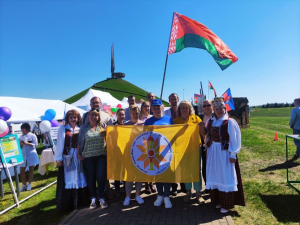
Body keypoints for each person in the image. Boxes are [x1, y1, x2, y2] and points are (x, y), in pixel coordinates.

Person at [201, 98, 246, 213]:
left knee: (225, 176)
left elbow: (235, 139)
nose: (219, 110)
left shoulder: (230, 122)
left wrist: (233, 154)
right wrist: (206, 146)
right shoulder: (210, 121)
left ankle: (227, 204)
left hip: (224, 152)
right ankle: (218, 201)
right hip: (213, 152)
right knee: (215, 175)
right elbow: (208, 135)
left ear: (225, 108)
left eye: (221, 108)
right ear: (214, 110)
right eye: (216, 108)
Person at [54, 110, 88, 211]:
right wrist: (59, 158)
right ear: (68, 118)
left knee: (80, 176)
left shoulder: (80, 129)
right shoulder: (63, 129)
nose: (73, 119)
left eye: (75, 117)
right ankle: (68, 204)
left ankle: (81, 202)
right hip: (67, 157)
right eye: (71, 117)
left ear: (78, 118)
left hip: (78, 157)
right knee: (69, 178)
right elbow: (59, 144)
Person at [173, 100, 205, 204]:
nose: (184, 109)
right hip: (182, 149)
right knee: (185, 170)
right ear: (179, 109)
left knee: (196, 170)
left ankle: (198, 194)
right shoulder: (176, 121)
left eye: (186, 107)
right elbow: (173, 136)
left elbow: (203, 133)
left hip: (196, 147)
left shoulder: (195, 118)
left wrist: (201, 127)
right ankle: (188, 192)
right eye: (182, 107)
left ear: (190, 109)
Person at [145, 99, 174, 208]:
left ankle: (166, 196)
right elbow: (144, 137)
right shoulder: (148, 121)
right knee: (157, 174)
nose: (157, 110)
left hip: (167, 151)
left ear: (162, 107)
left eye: (158, 107)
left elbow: (173, 133)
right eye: (154, 108)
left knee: (166, 174)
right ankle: (159, 195)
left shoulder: (169, 119)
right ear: (151, 109)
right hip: (154, 152)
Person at [77, 109, 108, 209]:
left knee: (100, 177)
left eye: (96, 115)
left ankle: (101, 198)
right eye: (92, 115)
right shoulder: (83, 128)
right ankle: (93, 198)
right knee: (90, 179)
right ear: (88, 116)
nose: (94, 117)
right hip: (88, 157)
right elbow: (79, 142)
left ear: (98, 117)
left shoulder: (102, 126)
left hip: (101, 156)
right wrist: (78, 154)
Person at [163, 93, 186, 195]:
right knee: (171, 164)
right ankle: (174, 187)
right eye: (171, 99)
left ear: (178, 99)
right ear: (169, 101)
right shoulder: (165, 112)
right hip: (169, 141)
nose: (173, 101)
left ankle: (183, 185)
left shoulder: (183, 109)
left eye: (175, 99)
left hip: (181, 140)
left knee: (181, 164)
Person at [123, 105, 145, 206]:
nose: (136, 114)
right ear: (130, 114)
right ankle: (128, 196)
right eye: (133, 113)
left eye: (137, 113)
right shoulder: (125, 124)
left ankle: (137, 195)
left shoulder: (143, 124)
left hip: (141, 152)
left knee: (139, 174)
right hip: (129, 152)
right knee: (129, 175)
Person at [139, 101, 156, 194]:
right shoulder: (138, 118)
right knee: (145, 164)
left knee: (152, 164)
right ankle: (146, 184)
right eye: (145, 106)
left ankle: (151, 183)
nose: (147, 108)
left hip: (152, 144)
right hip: (141, 144)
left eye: (148, 106)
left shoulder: (152, 118)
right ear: (142, 107)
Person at [19, 123, 39, 191]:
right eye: (22, 129)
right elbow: (20, 147)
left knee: (31, 169)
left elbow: (35, 144)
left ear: (27, 129)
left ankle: (29, 184)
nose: (22, 131)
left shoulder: (32, 136)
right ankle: (24, 184)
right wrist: (21, 144)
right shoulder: (20, 137)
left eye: (23, 129)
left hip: (31, 154)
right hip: (23, 155)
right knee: (22, 170)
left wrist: (26, 143)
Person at [200, 99, 214, 191]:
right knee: (205, 167)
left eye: (208, 105)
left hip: (214, 145)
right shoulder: (201, 117)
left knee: (214, 166)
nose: (206, 107)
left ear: (212, 106)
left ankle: (214, 187)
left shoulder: (216, 115)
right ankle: (207, 186)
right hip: (205, 145)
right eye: (204, 106)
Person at [113, 108, 125, 196]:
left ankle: (125, 186)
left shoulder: (127, 125)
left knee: (124, 169)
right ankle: (117, 187)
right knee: (117, 169)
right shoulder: (113, 125)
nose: (121, 116)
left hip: (125, 150)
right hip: (116, 151)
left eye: (123, 114)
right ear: (116, 115)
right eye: (119, 114)